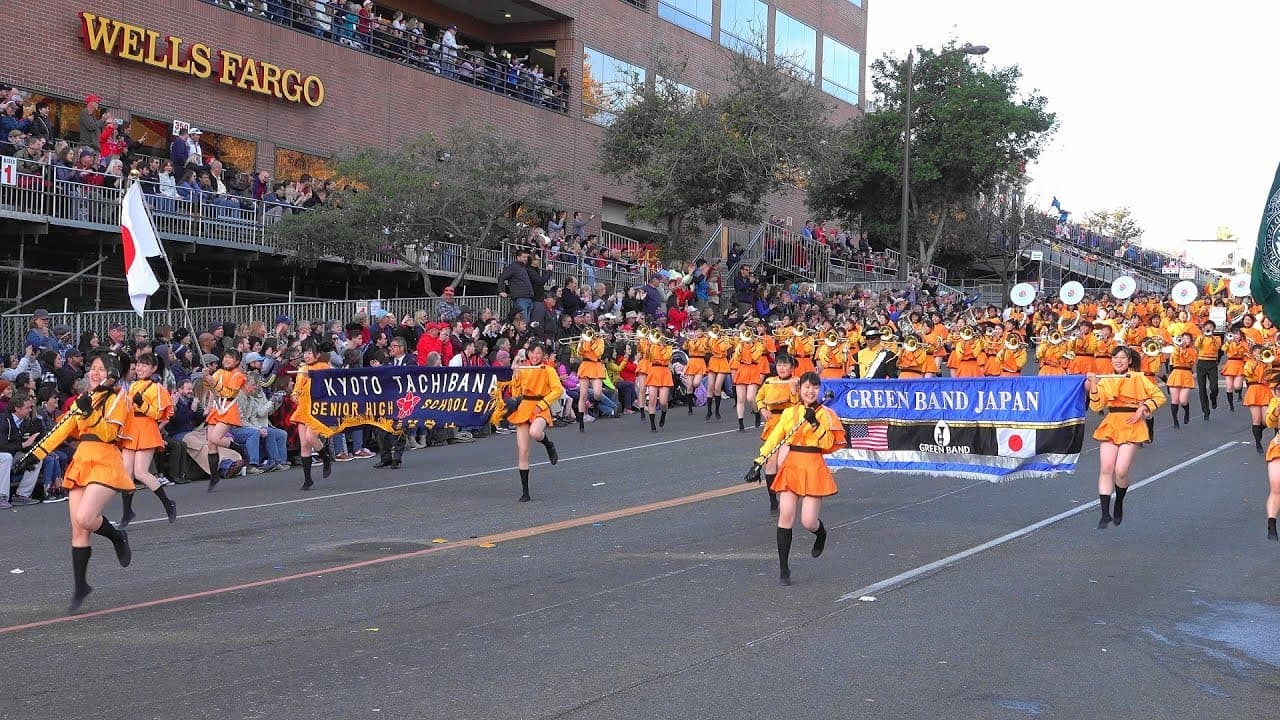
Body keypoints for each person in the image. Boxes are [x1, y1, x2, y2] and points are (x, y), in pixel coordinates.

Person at [18, 350, 135, 613]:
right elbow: (61, 430)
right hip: (82, 460)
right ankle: (81, 586)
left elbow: (108, 432)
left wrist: (89, 412)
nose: (95, 372)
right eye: (93, 367)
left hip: (106, 459)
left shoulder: (120, 398)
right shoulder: (83, 399)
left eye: (102, 369)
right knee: (79, 529)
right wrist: (34, 455)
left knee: (84, 517)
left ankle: (117, 536)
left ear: (112, 374)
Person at [746, 371, 844, 586]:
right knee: (786, 516)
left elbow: (827, 444)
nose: (810, 391)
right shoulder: (789, 414)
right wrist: (758, 462)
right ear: (799, 389)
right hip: (791, 465)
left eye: (815, 387)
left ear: (819, 390)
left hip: (813, 465)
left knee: (808, 521)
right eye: (807, 387)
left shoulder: (825, 414)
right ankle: (784, 568)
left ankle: (821, 534)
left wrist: (815, 424)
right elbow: (775, 439)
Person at [1085, 346, 1166, 530]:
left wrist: (1143, 407)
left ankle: (1119, 501)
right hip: (1112, 423)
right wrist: (1095, 385)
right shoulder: (1106, 380)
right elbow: (1096, 408)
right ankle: (1105, 513)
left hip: (1132, 424)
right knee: (1106, 467)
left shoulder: (1138, 377)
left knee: (1121, 470)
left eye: (1122, 358)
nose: (1118, 361)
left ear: (1129, 361)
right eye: (1115, 358)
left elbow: (1159, 396)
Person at [118, 354, 177, 527]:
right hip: (130, 429)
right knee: (126, 472)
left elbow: (158, 414)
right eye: (139, 365)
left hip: (145, 429)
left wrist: (142, 404)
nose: (141, 368)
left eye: (146, 365)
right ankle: (127, 512)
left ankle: (168, 503)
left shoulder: (157, 388)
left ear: (153, 369)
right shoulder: (133, 385)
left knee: (141, 472)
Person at [501, 341, 562, 502]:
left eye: (538, 353)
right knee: (523, 451)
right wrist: (515, 374)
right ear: (528, 354)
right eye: (533, 353)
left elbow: (558, 390)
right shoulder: (524, 368)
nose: (535, 356)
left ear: (543, 355)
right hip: (524, 407)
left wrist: (543, 404)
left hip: (540, 406)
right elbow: (515, 391)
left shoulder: (548, 369)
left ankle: (549, 444)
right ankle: (525, 491)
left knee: (535, 432)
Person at [753, 353, 798, 515]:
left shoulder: (797, 381)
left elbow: (798, 404)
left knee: (784, 462)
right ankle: (773, 500)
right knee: (770, 463)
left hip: (789, 423)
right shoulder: (769, 381)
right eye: (779, 364)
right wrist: (762, 408)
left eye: (785, 365)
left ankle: (790, 495)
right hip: (772, 423)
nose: (782, 368)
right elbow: (759, 397)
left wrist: (794, 391)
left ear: (792, 367)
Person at [203, 348, 251, 491]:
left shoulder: (239, 375)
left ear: (237, 361)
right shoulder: (218, 372)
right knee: (211, 443)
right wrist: (206, 378)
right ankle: (214, 476)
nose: (226, 360)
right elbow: (210, 388)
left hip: (228, 408)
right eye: (225, 357)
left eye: (230, 357)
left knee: (216, 438)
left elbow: (228, 391)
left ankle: (240, 449)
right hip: (216, 408)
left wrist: (213, 382)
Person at [290, 339, 336, 489]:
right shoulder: (302, 369)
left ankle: (325, 456)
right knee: (304, 445)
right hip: (303, 408)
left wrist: (313, 377)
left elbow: (327, 385)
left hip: (316, 409)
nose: (307, 355)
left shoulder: (323, 366)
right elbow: (296, 390)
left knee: (310, 437)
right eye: (305, 352)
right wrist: (294, 395)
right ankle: (307, 479)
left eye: (310, 352)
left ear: (317, 354)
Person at [574, 328, 606, 431]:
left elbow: (598, 353)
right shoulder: (584, 340)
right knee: (583, 395)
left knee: (597, 393)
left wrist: (592, 342)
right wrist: (582, 342)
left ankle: (596, 404)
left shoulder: (600, 341)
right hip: (585, 365)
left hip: (596, 365)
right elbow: (578, 353)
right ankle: (581, 421)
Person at [645, 327, 675, 432]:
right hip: (653, 371)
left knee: (663, 402)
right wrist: (648, 345)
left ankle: (663, 414)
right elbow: (647, 356)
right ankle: (653, 425)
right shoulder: (652, 346)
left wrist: (662, 346)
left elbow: (666, 357)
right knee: (652, 399)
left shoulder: (669, 347)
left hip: (664, 372)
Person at [1193, 320, 1223, 420]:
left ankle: (1213, 398)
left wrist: (1211, 337)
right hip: (1201, 363)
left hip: (1212, 363)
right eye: (1207, 326)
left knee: (1214, 387)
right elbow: (1197, 345)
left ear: (1213, 329)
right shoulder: (1200, 337)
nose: (1209, 328)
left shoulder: (1217, 338)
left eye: (1211, 326)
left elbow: (1217, 347)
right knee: (1202, 389)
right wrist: (1203, 335)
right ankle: (1206, 411)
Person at [1166, 332, 1196, 428]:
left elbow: (1190, 362)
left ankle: (1186, 410)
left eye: (1187, 339)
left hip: (1186, 374)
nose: (1184, 340)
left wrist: (1184, 350)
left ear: (1191, 341)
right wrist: (1178, 348)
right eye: (1183, 338)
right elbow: (1174, 359)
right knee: (1174, 400)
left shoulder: (1193, 351)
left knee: (1182, 401)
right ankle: (1175, 421)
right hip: (1176, 374)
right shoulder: (1175, 350)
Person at [1263, 375, 1280, 540]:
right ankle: (1272, 524)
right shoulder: (1276, 403)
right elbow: (1270, 423)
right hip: (1279, 448)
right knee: (1276, 487)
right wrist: (1277, 409)